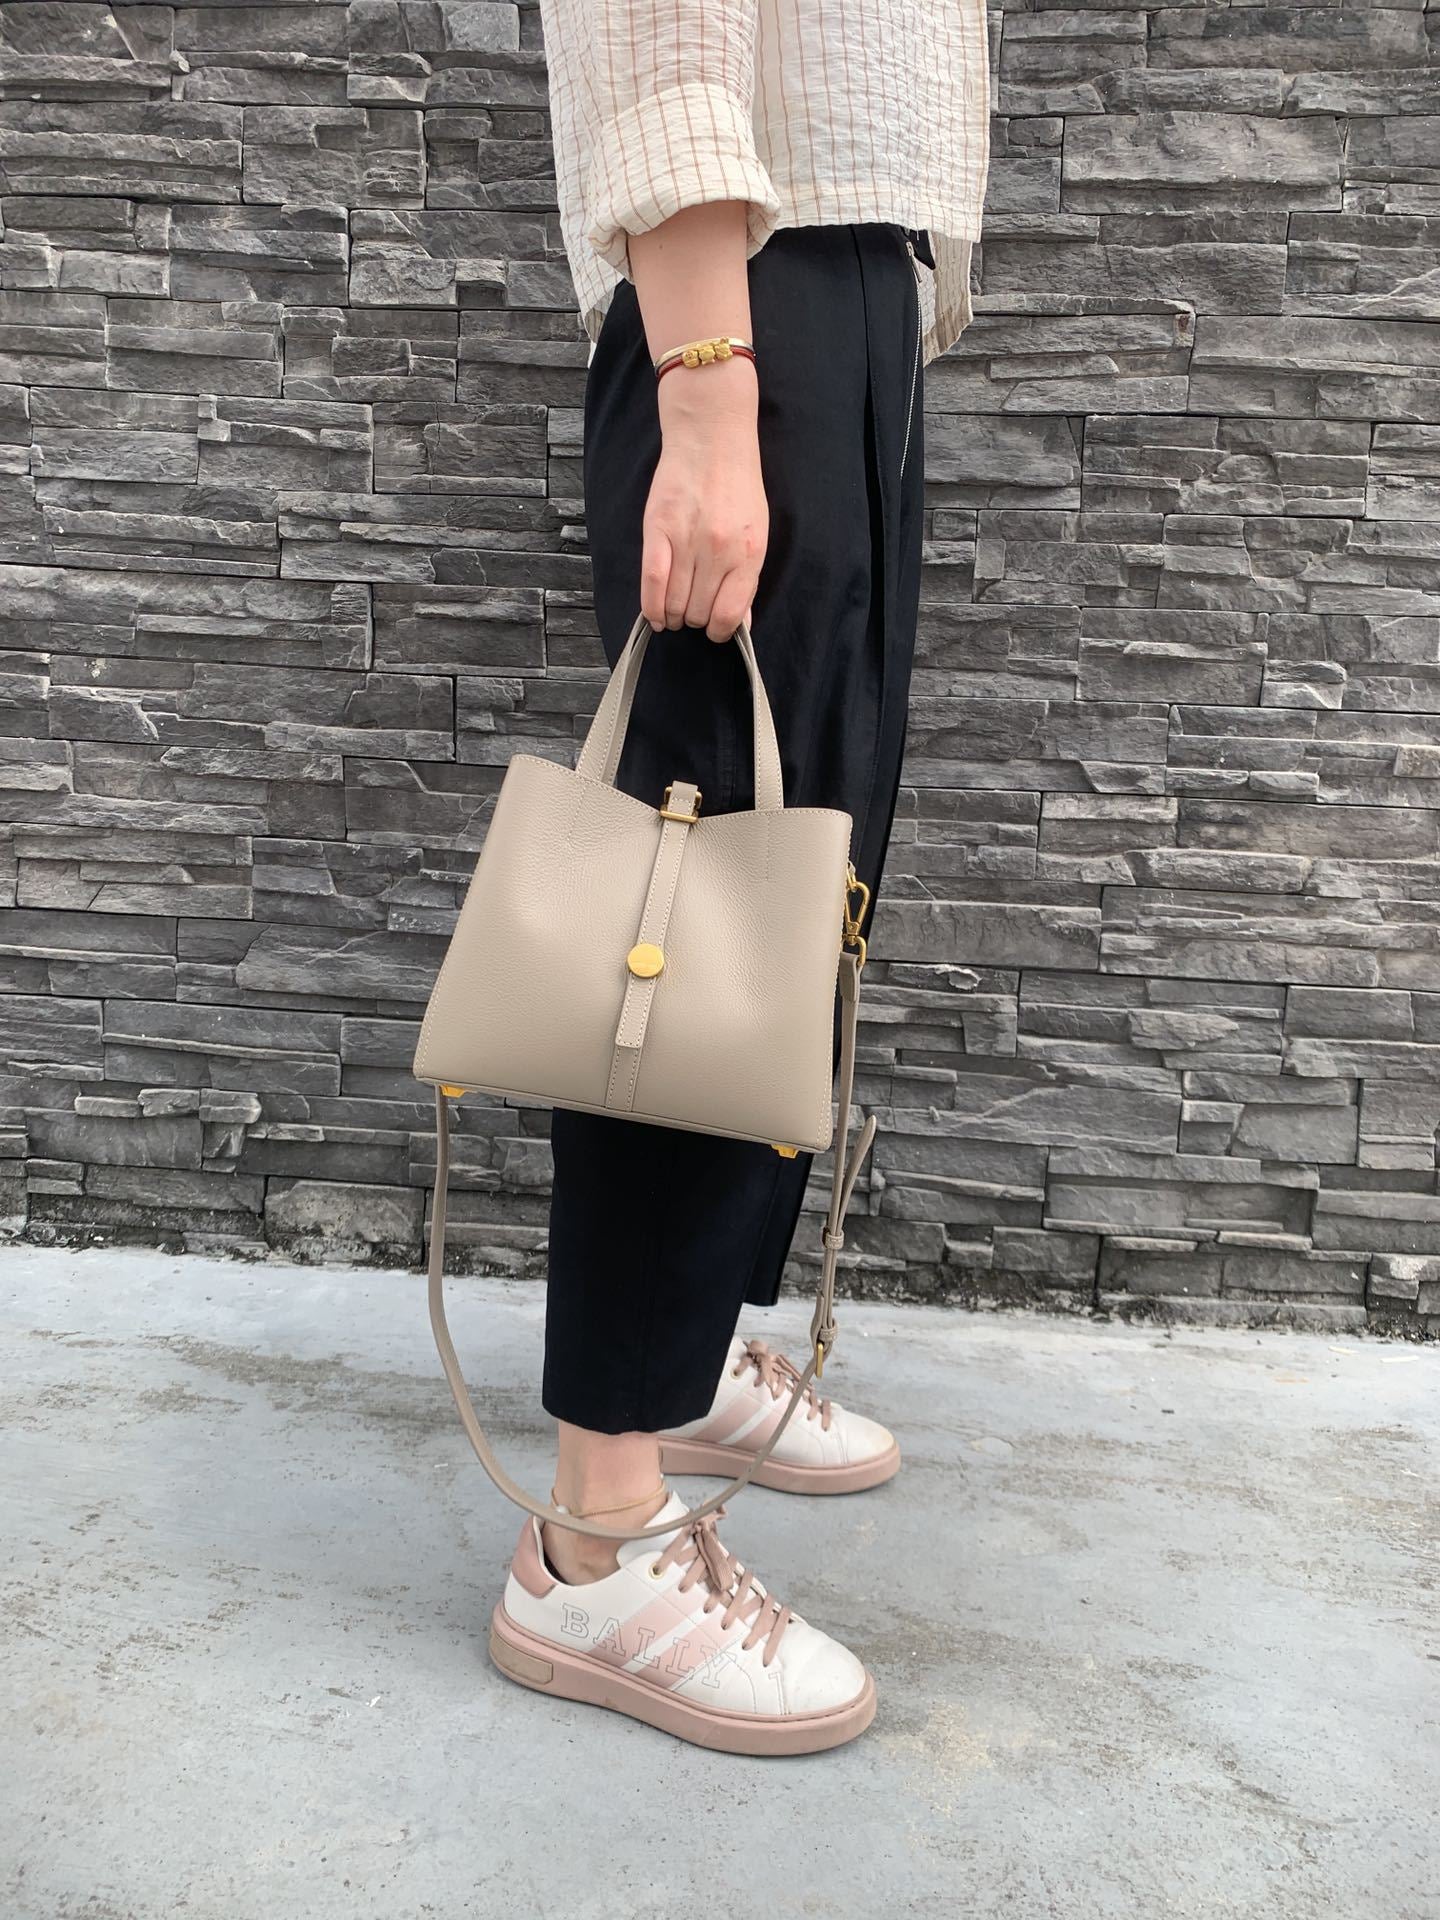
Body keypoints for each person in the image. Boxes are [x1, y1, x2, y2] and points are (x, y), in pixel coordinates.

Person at [489, 0, 991, 1755]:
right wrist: (709, 376)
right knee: (683, 929)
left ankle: (684, 1366)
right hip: (740, 296)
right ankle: (595, 1535)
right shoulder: (726, 331)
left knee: (790, 881)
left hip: (835, 281)